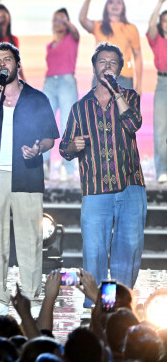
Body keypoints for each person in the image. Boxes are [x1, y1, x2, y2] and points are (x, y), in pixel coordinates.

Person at [0, 42, 59, 314]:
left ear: (18, 64)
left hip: (27, 177)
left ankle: (30, 296)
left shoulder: (37, 98)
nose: (3, 64)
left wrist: (38, 148)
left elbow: (50, 138)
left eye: (8, 59)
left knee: (30, 237)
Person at [59, 43, 146, 308]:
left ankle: (118, 309)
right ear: (94, 66)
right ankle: (97, 309)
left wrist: (116, 93)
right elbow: (64, 148)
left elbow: (133, 124)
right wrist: (73, 147)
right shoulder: (79, 108)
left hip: (129, 187)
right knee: (94, 254)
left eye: (112, 63)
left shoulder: (129, 97)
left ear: (119, 69)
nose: (107, 66)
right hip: (95, 191)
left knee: (127, 252)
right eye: (102, 62)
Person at [79, 0, 142, 91]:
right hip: (101, 77)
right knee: (98, 108)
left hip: (124, 78)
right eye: (111, 2)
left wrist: (139, 85)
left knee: (123, 107)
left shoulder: (131, 28)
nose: (115, 5)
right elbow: (82, 20)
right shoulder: (98, 26)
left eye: (118, 3)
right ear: (106, 7)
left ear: (123, 7)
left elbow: (138, 57)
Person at [42, 8, 80, 181]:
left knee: (67, 125)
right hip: (50, 82)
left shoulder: (72, 39)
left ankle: (68, 167)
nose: (58, 22)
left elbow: (75, 31)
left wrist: (65, 21)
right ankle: (44, 165)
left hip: (66, 82)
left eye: (62, 19)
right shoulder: (50, 45)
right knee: (44, 123)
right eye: (55, 19)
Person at [147, 0, 167, 184]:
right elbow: (150, 25)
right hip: (162, 84)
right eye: (165, 21)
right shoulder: (157, 39)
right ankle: (162, 170)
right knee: (161, 129)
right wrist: (160, 3)